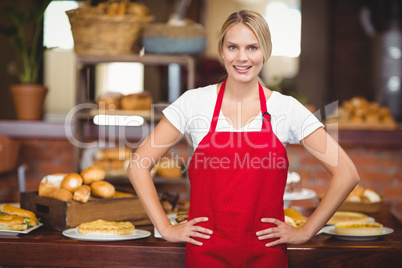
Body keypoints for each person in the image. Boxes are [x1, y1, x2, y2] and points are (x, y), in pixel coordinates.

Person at [127, 10, 360, 268]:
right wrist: (166, 227)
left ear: (265, 52)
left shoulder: (286, 108)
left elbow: (347, 173)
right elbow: (138, 164)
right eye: (233, 47)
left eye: (252, 47)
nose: (242, 57)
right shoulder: (194, 103)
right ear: (222, 51)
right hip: (206, 254)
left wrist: (306, 231)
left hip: (266, 254)